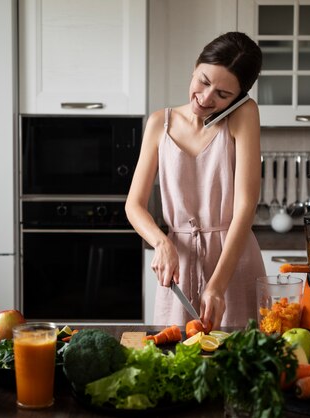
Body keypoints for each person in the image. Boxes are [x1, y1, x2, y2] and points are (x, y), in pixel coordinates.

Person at [125, 32, 266, 328]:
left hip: (233, 262)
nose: (205, 98)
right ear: (195, 67)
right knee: (174, 360)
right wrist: (161, 243)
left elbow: (245, 205)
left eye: (223, 95)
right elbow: (134, 206)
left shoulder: (244, 115)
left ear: (239, 97)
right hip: (179, 263)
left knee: (240, 363)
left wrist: (217, 285)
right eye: (203, 81)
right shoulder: (158, 123)